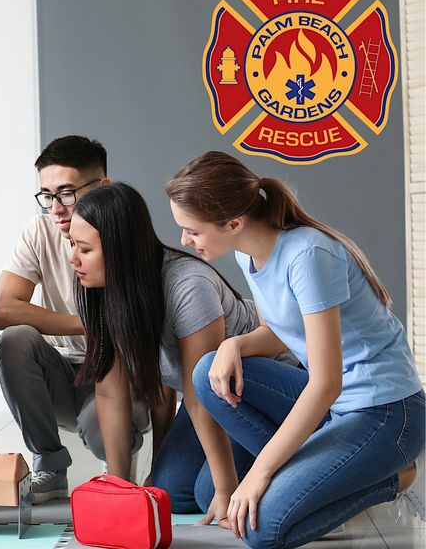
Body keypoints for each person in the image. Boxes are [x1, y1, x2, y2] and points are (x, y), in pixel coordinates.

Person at [166, 151, 424, 547]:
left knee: (258, 527)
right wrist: (234, 343)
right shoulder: (247, 252)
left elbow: (325, 385)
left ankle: (394, 477)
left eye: (192, 231)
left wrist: (259, 474)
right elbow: (281, 332)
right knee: (207, 373)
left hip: (386, 413)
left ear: (233, 222)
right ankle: (311, 475)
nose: (184, 240)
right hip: (335, 410)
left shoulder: (308, 255)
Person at [68, 183, 298, 521]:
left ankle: (318, 456)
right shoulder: (102, 288)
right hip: (217, 392)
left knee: (209, 493)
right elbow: (111, 392)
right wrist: (120, 490)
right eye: (72, 244)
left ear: (120, 251)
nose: (73, 257)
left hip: (263, 386)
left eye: (84, 249)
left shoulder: (188, 285)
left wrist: (224, 489)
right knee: (169, 491)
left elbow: (199, 394)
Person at [0, 136, 149, 503]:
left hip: (122, 375)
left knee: (101, 431)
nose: (56, 208)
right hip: (64, 372)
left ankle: (117, 471)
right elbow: (3, 309)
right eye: (47, 195)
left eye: (66, 192)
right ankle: (49, 464)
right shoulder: (40, 231)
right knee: (15, 339)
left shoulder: (129, 235)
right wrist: (88, 328)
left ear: (102, 186)